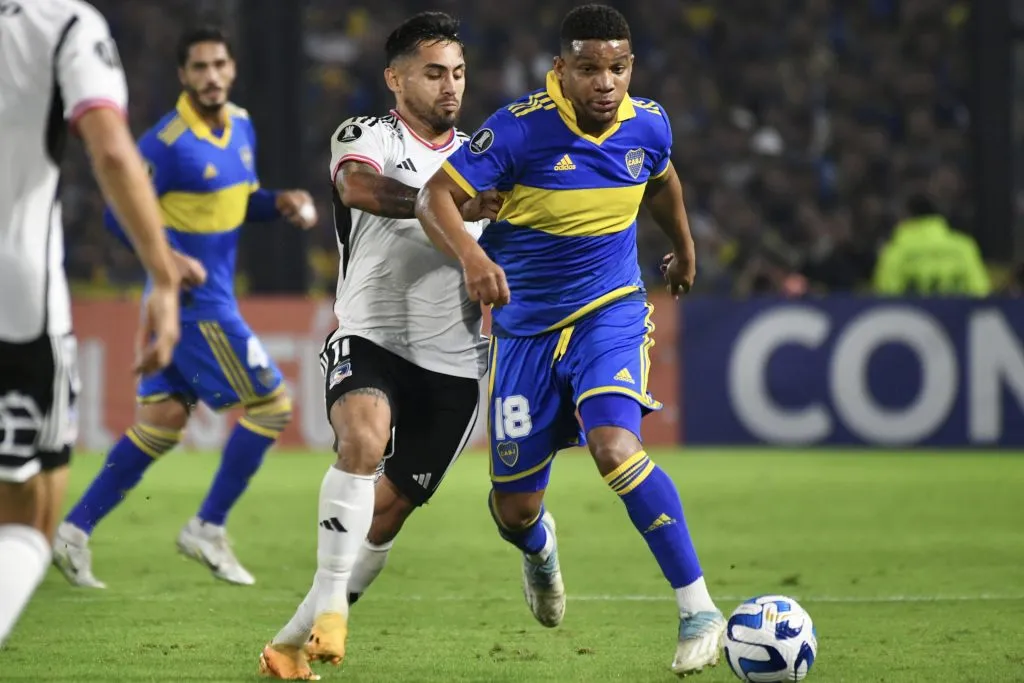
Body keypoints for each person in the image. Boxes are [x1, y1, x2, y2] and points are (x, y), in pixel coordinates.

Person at [416, 4, 727, 676]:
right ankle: (538, 547)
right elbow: (432, 198)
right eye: (589, 67)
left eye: (617, 67)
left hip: (608, 310)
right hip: (524, 330)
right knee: (514, 507)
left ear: (631, 67)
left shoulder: (648, 123)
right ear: (561, 69)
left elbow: (662, 178)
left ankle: (699, 606)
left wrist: (684, 248)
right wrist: (474, 259)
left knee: (615, 446)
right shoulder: (519, 131)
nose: (605, 82)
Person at [258, 12, 501, 680]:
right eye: (433, 72)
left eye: (457, 73)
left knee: (387, 513)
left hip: (453, 359)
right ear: (395, 78)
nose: (449, 86)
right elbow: (355, 186)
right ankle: (334, 606)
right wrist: (447, 204)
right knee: (361, 442)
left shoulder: (484, 155)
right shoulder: (366, 134)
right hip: (370, 330)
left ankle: (287, 644)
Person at [52, 24, 318, 589]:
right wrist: (169, 258)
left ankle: (73, 531)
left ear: (232, 69)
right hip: (196, 305)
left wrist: (281, 204)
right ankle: (207, 525)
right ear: (182, 76)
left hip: (199, 299)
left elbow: (241, 202)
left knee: (164, 422)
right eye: (198, 68)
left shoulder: (242, 125)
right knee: (273, 407)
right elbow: (114, 215)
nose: (211, 76)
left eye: (219, 64)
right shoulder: (165, 143)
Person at [0, 0, 181, 646]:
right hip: (15, 302)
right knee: (27, 515)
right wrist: (161, 271)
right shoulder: (63, 24)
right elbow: (108, 147)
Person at [873, 194, 990, 296]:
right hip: (956, 317)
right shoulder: (964, 246)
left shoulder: (897, 249)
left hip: (913, 318)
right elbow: (980, 291)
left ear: (906, 216)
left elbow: (885, 294)